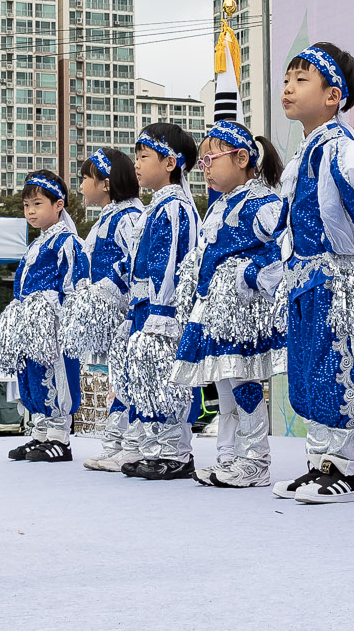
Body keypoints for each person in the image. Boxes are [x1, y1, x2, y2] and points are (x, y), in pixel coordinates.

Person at [272, 44, 354, 505]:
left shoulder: (340, 149)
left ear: (332, 95)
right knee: (310, 371)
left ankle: (345, 468)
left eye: (301, 80)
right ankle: (319, 461)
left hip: (335, 280)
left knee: (338, 367)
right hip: (305, 280)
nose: (288, 88)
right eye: (286, 79)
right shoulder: (307, 151)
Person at [172, 121, 287, 488]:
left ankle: (254, 460)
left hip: (241, 314)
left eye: (211, 158)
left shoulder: (263, 203)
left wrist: (249, 275)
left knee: (243, 384)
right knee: (224, 387)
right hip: (215, 312)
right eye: (202, 161)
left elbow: (283, 250)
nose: (204, 166)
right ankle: (228, 455)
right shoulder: (220, 205)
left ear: (241, 158)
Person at [116, 123, 203, 481]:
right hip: (144, 307)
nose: (136, 164)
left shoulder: (175, 208)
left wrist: (162, 311)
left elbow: (170, 264)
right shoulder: (157, 207)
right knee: (148, 380)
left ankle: (175, 452)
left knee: (167, 380)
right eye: (136, 156)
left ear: (170, 163)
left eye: (144, 156)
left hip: (162, 310)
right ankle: (155, 448)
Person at [0, 172, 88, 463]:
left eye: (38, 204)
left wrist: (57, 314)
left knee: (56, 376)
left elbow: (75, 286)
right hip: (30, 326)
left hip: (52, 326)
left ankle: (60, 438)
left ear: (59, 205)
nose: (30, 211)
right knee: (31, 376)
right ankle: (41, 432)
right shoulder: (35, 246)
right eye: (26, 205)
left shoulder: (67, 243)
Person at [69, 148, 145, 472]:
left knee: (128, 380)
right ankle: (114, 444)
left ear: (106, 183)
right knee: (118, 379)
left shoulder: (129, 217)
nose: (82, 184)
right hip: (112, 316)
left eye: (87, 177)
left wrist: (108, 295)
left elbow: (133, 265)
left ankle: (132, 445)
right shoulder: (108, 216)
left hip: (129, 315)